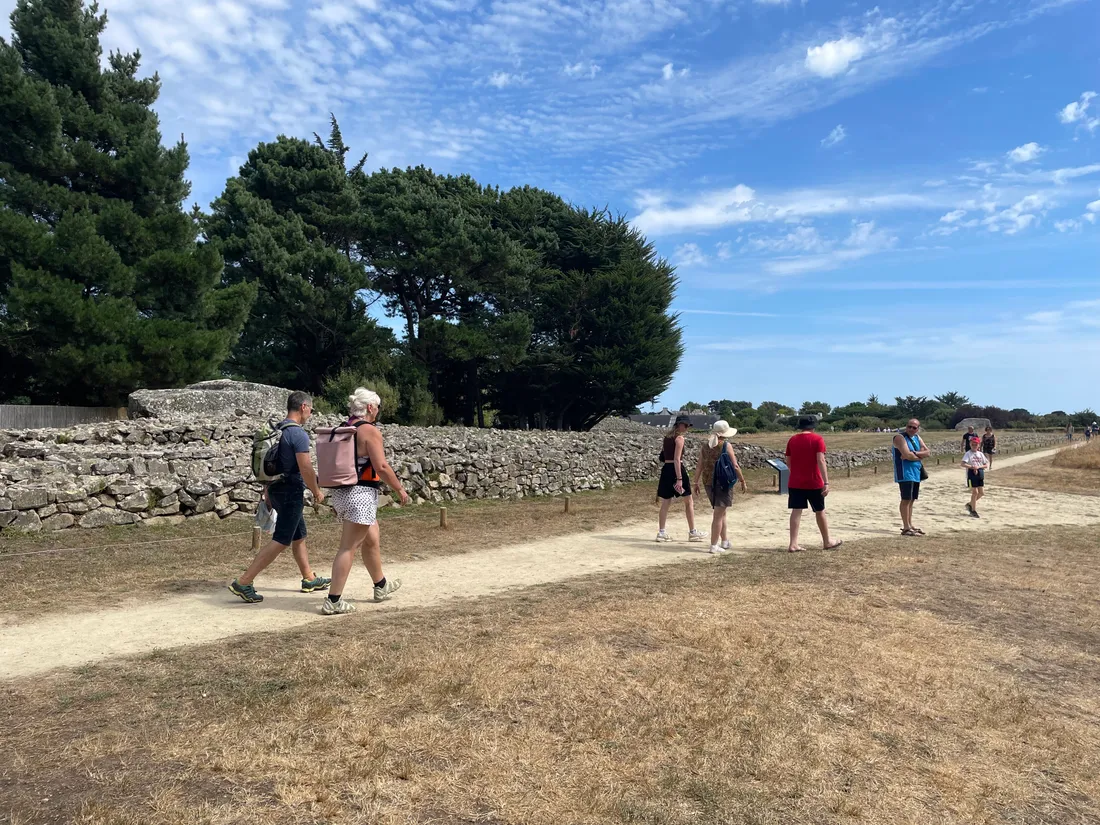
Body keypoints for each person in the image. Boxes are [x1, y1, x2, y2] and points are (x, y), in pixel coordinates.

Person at [230, 392, 330, 603]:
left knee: (299, 534)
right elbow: (305, 467)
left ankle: (309, 577)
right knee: (282, 539)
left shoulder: (277, 430)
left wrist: (267, 489)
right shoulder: (298, 434)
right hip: (290, 491)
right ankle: (244, 581)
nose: (311, 413)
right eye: (311, 409)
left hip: (275, 488)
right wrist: (316, 490)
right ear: (303, 407)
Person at [322, 388, 410, 615]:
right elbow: (381, 466)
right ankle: (333, 600)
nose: (378, 411)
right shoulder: (369, 431)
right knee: (348, 547)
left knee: (371, 538)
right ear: (370, 407)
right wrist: (399, 489)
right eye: (377, 406)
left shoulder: (345, 428)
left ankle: (380, 585)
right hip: (360, 494)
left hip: (342, 492)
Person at [785, 415, 843, 553]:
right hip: (814, 481)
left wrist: (796, 472)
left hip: (795, 481)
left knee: (796, 511)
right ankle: (827, 541)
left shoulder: (792, 439)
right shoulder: (817, 439)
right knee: (820, 510)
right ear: (813, 426)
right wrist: (826, 481)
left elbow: (788, 461)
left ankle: (793, 543)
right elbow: (821, 460)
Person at [694, 420, 748, 554]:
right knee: (718, 514)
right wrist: (742, 480)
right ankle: (713, 545)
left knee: (721, 512)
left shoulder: (705, 446)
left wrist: (695, 482)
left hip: (708, 482)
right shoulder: (726, 445)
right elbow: (735, 465)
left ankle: (724, 541)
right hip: (723, 483)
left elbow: (699, 465)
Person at [656, 415, 706, 542]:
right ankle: (692, 532)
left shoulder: (667, 438)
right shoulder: (679, 438)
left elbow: (663, 456)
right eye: (687, 425)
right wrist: (679, 478)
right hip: (676, 470)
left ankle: (661, 532)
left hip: (666, 469)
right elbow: (677, 459)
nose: (688, 428)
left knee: (666, 501)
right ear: (681, 424)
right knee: (688, 501)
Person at [893, 419, 931, 536]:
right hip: (905, 473)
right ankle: (906, 527)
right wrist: (919, 455)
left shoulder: (917, 437)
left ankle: (910, 524)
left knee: (912, 499)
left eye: (914, 427)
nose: (911, 429)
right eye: (909, 426)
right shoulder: (899, 438)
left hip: (916, 472)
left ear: (917, 429)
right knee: (906, 499)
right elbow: (907, 455)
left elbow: (927, 452)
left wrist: (914, 454)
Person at [961, 441, 990, 518]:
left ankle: (970, 504)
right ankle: (973, 510)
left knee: (981, 493)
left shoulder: (980, 454)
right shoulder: (968, 453)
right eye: (972, 444)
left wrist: (978, 467)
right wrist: (972, 467)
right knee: (975, 492)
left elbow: (986, 464)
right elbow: (963, 464)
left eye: (976, 444)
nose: (974, 446)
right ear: (970, 444)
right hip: (971, 475)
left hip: (980, 474)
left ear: (978, 445)